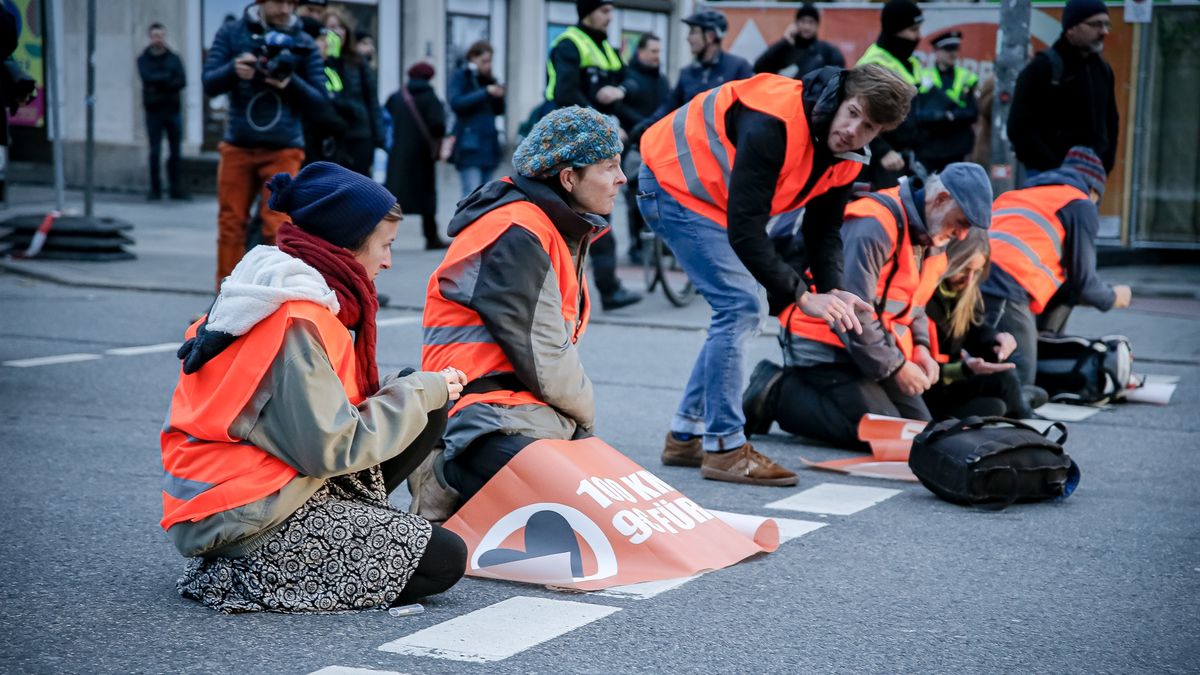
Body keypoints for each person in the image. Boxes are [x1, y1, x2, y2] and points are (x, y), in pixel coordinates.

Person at [162, 162, 468, 613]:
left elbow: (320, 418)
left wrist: (419, 392)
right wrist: (424, 391)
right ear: (346, 244)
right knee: (445, 559)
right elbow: (331, 448)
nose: (388, 261)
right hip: (243, 514)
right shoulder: (297, 321)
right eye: (384, 246)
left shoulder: (269, 290)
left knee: (419, 397)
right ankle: (244, 570)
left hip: (245, 491)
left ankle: (331, 535)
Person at [636, 64, 915, 485]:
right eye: (853, 112)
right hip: (672, 183)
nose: (853, 130)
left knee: (736, 310)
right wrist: (804, 296)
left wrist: (834, 290)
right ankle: (725, 448)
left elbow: (823, 231)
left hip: (715, 199)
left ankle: (686, 436)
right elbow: (746, 231)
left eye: (869, 126)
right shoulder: (775, 121)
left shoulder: (849, 159)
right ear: (840, 98)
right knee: (742, 305)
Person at [413, 106, 622, 519]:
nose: (622, 178)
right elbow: (546, 357)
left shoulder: (550, 225)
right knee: (590, 509)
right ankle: (441, 472)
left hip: (518, 409)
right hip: (479, 418)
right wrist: (588, 432)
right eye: (609, 166)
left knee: (605, 506)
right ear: (569, 178)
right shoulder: (517, 232)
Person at [743, 164, 993, 449]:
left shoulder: (933, 238)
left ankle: (823, 397)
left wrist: (921, 347)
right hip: (826, 345)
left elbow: (916, 306)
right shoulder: (874, 224)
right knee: (880, 434)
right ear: (940, 199)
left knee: (917, 435)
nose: (962, 235)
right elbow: (852, 313)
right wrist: (896, 368)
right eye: (961, 222)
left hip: (870, 351)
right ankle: (774, 391)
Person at [980, 146, 1132, 386]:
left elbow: (1073, 286)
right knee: (1022, 383)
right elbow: (1086, 284)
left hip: (971, 279)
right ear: (1093, 190)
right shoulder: (1080, 203)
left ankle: (1042, 339)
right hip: (1004, 284)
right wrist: (1115, 296)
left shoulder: (1017, 194)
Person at [202, 0, 327, 290]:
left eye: (292, 3)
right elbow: (209, 82)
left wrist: (290, 81)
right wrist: (234, 70)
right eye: (279, 1)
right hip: (238, 144)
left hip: (283, 147)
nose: (286, 9)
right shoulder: (233, 33)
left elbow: (320, 100)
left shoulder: (304, 42)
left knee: (276, 227)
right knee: (230, 224)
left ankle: (271, 296)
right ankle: (225, 297)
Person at [545, 0, 641, 311]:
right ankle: (570, 291)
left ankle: (605, 289)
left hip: (598, 143)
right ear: (588, 12)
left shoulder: (606, 47)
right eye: (605, 11)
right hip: (570, 142)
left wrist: (622, 96)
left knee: (597, 214)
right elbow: (566, 95)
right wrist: (606, 123)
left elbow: (631, 80)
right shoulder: (569, 44)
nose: (610, 17)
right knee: (574, 215)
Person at [922, 228, 1033, 420]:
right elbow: (925, 368)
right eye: (964, 269)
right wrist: (963, 369)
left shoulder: (967, 293)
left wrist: (995, 340)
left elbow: (974, 331)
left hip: (951, 380)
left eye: (977, 271)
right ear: (951, 259)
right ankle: (1026, 417)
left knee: (1004, 382)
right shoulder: (926, 293)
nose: (969, 279)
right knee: (997, 403)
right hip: (929, 387)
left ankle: (1021, 405)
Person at [1008, 0, 1119, 177]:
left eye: (1106, 25)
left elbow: (1111, 121)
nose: (1104, 32)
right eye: (1096, 25)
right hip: (1047, 177)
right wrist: (1053, 167)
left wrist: (1105, 164)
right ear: (1071, 28)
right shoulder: (1043, 67)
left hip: (1089, 178)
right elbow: (1019, 128)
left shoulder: (1102, 69)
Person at [633, 10, 755, 143]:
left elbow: (749, 110)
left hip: (727, 149)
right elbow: (669, 106)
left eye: (693, 32)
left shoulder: (738, 67)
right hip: (694, 148)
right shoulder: (687, 73)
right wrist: (647, 125)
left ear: (710, 36)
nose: (688, 38)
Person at [855, 0, 924, 189]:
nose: (918, 36)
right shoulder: (873, 66)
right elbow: (858, 116)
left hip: (904, 159)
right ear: (895, 30)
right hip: (880, 162)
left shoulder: (910, 63)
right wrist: (882, 151)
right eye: (912, 30)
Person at [385, 62, 448, 250]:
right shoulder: (430, 97)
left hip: (398, 156)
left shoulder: (396, 97)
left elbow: (385, 118)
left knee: (394, 198)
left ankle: (382, 237)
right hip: (422, 156)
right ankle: (431, 237)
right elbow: (438, 125)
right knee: (426, 197)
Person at [620, 33, 669, 264]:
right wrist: (644, 123)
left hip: (659, 148)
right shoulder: (629, 78)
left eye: (659, 51)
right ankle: (636, 246)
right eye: (653, 51)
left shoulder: (662, 81)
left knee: (660, 198)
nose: (657, 56)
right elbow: (619, 108)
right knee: (634, 199)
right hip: (635, 148)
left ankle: (662, 245)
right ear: (640, 52)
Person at [321, 9, 384, 177]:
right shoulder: (321, 61)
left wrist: (380, 138)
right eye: (332, 27)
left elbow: (372, 100)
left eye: (341, 27)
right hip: (334, 135)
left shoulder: (357, 61)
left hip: (360, 135)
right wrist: (331, 57)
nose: (337, 32)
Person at [915, 30, 979, 174]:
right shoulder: (922, 77)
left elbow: (972, 113)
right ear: (936, 52)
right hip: (929, 147)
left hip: (957, 147)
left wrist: (947, 116)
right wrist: (946, 116)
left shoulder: (967, 77)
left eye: (955, 49)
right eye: (948, 49)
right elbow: (918, 115)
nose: (953, 54)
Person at [448, 40, 505, 200]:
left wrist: (499, 96)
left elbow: (499, 111)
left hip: (490, 148)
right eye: (484, 61)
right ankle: (465, 226)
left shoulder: (489, 79)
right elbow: (456, 103)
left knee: (487, 199)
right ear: (472, 58)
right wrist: (485, 92)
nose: (488, 65)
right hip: (469, 148)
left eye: (490, 61)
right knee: (471, 198)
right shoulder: (462, 76)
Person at [137, 23, 188, 201]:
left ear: (164, 37)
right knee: (155, 151)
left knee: (175, 151)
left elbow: (181, 81)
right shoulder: (144, 59)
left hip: (172, 110)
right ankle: (155, 189)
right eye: (154, 36)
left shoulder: (174, 58)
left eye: (160, 35)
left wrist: (159, 82)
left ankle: (176, 189)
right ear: (150, 37)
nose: (157, 39)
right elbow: (147, 77)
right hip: (154, 111)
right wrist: (167, 77)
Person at [752, 3, 845, 79]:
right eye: (803, 21)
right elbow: (759, 67)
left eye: (811, 22)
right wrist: (785, 40)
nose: (806, 26)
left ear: (817, 26)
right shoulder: (786, 48)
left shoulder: (827, 51)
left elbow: (838, 77)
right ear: (796, 24)